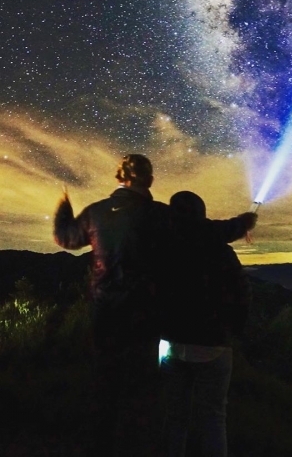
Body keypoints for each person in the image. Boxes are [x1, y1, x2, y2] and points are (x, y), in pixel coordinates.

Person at [53, 154, 170, 456]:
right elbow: (198, 235)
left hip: (105, 313)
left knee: (104, 382)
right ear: (150, 180)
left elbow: (65, 238)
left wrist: (64, 208)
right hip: (146, 315)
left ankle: (100, 444)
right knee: (141, 387)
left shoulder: (96, 212)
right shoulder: (161, 215)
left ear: (119, 178)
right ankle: (136, 445)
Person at [159, 191, 256, 457]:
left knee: (175, 415)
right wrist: (234, 331)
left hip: (171, 343)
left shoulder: (162, 250)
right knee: (213, 418)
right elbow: (242, 294)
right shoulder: (222, 252)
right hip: (214, 343)